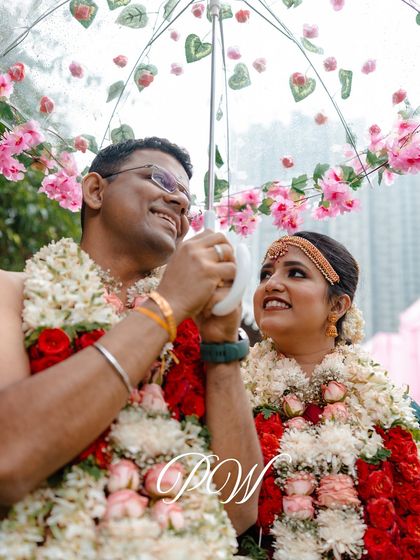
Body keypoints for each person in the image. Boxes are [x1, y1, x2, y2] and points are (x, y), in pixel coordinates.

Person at [0, 137, 263, 558]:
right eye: (160, 179)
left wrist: (220, 348)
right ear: (96, 191)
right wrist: (167, 307)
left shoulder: (192, 334)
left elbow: (238, 510)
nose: (178, 201)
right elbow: (7, 460)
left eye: (187, 200)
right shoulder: (11, 292)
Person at [238, 232, 420, 560]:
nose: (272, 284)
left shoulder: (387, 405)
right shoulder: (231, 391)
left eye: (295, 273)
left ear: (337, 305)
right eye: (265, 274)